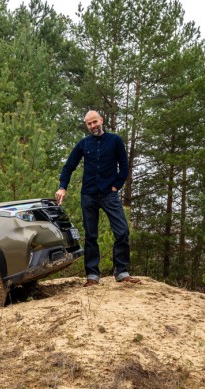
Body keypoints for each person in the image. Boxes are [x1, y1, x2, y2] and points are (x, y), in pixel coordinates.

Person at [55, 110, 141, 287]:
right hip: (88, 195)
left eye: (95, 122)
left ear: (101, 120)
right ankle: (92, 276)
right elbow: (69, 166)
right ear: (86, 126)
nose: (93, 126)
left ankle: (121, 271)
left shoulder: (115, 140)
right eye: (89, 124)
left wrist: (116, 186)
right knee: (91, 235)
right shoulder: (83, 144)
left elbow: (124, 166)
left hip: (109, 194)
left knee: (122, 231)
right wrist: (63, 187)